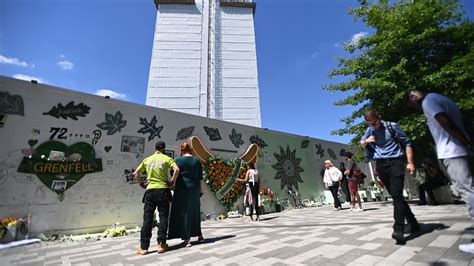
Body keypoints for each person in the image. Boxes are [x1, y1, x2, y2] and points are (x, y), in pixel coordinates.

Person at [405, 90, 474, 253]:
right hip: (459, 149)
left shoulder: (429, 102)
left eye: (412, 104)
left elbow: (444, 121)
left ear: (413, 97)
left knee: (467, 190)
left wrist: (466, 143)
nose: (415, 107)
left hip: (452, 151)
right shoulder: (444, 98)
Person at [360, 109, 420, 244]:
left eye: (375, 123)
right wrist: (367, 141)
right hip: (381, 165)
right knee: (395, 195)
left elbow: (407, 143)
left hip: (396, 162)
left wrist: (410, 163)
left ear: (379, 118)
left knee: (397, 195)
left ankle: (398, 228)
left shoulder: (392, 126)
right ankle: (413, 222)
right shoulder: (370, 130)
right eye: (370, 124)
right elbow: (361, 143)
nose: (374, 126)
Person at [134, 141, 180, 255]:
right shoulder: (167, 159)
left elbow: (136, 173)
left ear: (155, 148)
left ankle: (144, 247)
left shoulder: (147, 159)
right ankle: (161, 244)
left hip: (150, 191)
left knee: (147, 219)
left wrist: (141, 184)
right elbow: (177, 170)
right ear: (164, 148)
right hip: (163, 190)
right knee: (163, 217)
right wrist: (172, 180)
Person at [168, 143, 205, 247]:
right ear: (190, 149)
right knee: (195, 211)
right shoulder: (197, 160)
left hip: (182, 188)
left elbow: (173, 173)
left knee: (184, 212)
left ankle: (187, 239)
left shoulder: (178, 160)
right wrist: (201, 190)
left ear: (181, 149)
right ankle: (200, 235)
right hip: (195, 188)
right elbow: (200, 177)